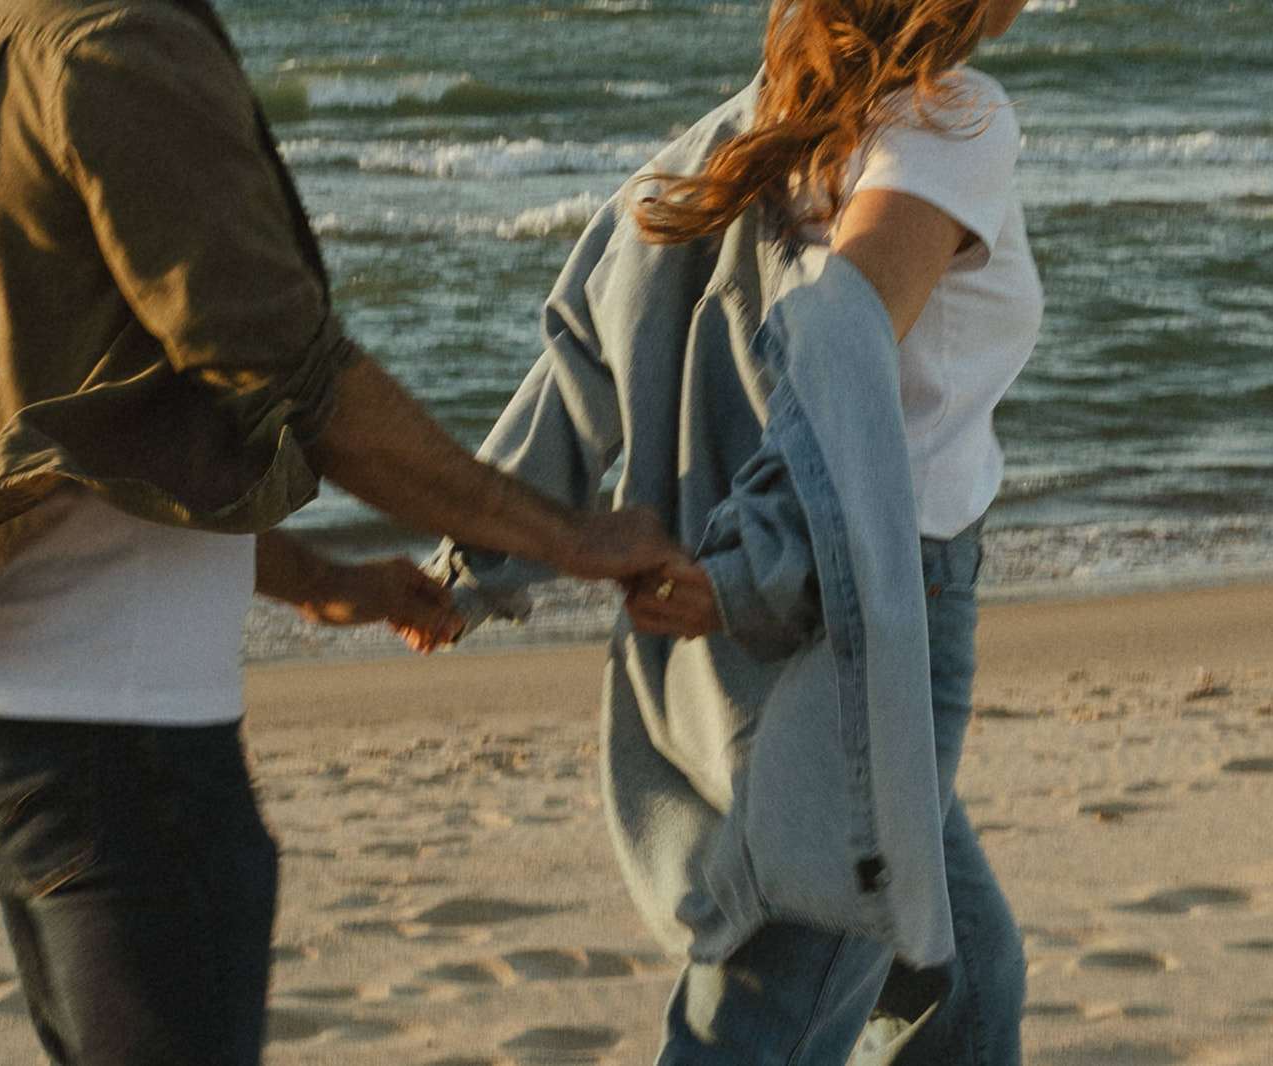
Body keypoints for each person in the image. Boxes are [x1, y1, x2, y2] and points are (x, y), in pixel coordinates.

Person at [0, 0, 681, 1063]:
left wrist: (313, 578)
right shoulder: (116, 45)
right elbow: (292, 378)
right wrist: (569, 535)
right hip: (118, 730)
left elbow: (77, 403)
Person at [432, 0, 1038, 1062]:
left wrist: (467, 566)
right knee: (762, 1019)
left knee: (961, 977)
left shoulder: (746, 133)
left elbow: (579, 355)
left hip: (739, 597)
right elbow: (836, 346)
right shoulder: (950, 125)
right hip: (862, 602)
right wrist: (753, 559)